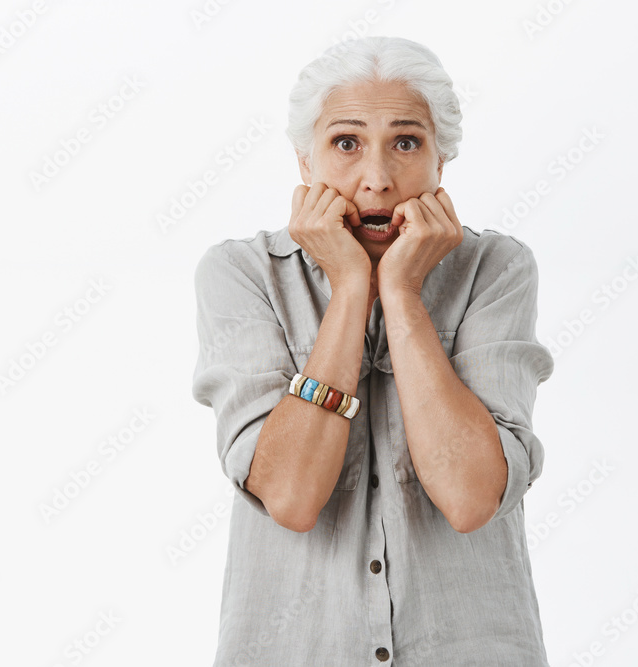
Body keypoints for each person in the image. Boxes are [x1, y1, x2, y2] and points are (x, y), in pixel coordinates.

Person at [191, 36, 554, 665]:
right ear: (305, 162)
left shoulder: (496, 268)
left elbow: (471, 497)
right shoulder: (242, 274)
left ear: (442, 161)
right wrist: (351, 287)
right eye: (346, 143)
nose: (377, 179)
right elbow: (291, 495)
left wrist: (404, 294)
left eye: (406, 142)